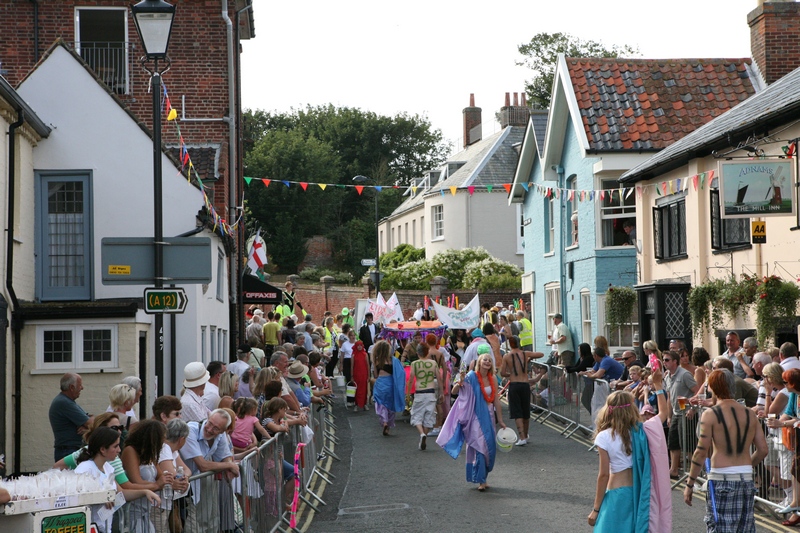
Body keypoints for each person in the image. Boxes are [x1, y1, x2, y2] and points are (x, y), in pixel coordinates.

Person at [588, 369, 672, 532]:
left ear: (608, 410)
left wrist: (596, 509)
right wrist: (658, 385)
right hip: (638, 493)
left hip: (616, 494)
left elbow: (603, 475)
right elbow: (663, 413)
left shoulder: (604, 436)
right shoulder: (644, 430)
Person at [684, 369, 768, 532]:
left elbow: (701, 452)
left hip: (721, 479)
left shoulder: (710, 414)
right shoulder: (749, 413)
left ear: (713, 387)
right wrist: (745, 466)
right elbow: (763, 449)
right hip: (745, 480)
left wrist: (690, 484)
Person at [437, 351, 507, 491]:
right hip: (475, 416)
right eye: (484, 360)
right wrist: (460, 381)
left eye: (489, 360)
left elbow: (496, 401)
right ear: (479, 362)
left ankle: (484, 477)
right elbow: (455, 391)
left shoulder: (492, 378)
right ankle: (481, 480)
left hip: (489, 416)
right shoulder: (471, 376)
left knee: (489, 447)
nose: (487, 362)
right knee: (480, 445)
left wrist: (501, 420)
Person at [75, 426, 160, 533]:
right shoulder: (85, 468)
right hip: (90, 526)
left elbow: (121, 493)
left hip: (104, 527)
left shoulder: (108, 468)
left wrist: (145, 492)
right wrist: (100, 497)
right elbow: (76, 498)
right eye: (115, 446)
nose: (119, 450)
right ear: (102, 449)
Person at [180, 409, 240, 533]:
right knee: (193, 525)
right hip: (186, 485)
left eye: (216, 428)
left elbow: (225, 456)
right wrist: (229, 466)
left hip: (202, 482)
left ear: (223, 431)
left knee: (211, 519)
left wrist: (229, 465)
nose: (209, 429)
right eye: (209, 423)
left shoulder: (221, 435)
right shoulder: (191, 430)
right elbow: (203, 465)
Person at [121, 420, 172, 533]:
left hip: (146, 508)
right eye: (161, 439)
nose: (163, 443)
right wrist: (157, 485)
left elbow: (159, 475)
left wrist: (169, 478)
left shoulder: (150, 454)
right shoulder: (130, 451)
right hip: (133, 508)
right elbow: (136, 481)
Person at [499, 336, 544, 446]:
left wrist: (512, 374)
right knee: (525, 411)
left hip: (514, 384)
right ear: (519, 343)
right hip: (525, 384)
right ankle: (526, 435)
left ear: (510, 344)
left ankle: (522, 437)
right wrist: (529, 358)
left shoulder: (507, 356)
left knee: (517, 412)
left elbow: (502, 373)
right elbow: (541, 354)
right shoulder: (525, 354)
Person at [663, 350, 699, 479]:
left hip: (687, 414)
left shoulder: (685, 375)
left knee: (689, 446)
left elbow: (697, 392)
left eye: (667, 360)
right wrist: (668, 416)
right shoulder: (667, 376)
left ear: (675, 361)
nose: (664, 362)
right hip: (676, 413)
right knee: (673, 443)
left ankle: (696, 474)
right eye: (664, 360)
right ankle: (673, 470)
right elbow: (669, 397)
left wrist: (693, 408)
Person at [155, 419, 191, 533]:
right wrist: (182, 478)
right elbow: (173, 477)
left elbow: (187, 470)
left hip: (167, 503)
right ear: (182, 439)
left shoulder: (173, 450)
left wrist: (184, 477)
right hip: (159, 505)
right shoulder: (165, 449)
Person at [50, 372, 93, 462]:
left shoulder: (66, 401)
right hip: (68, 451)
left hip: (68, 450)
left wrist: (87, 427)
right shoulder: (64, 403)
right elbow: (91, 423)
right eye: (80, 385)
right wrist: (88, 425)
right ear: (72, 387)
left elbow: (90, 419)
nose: (82, 388)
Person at [409, 342, 440, 450]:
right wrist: (441, 392)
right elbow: (439, 379)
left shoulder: (414, 364)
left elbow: (411, 379)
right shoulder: (433, 363)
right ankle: (424, 435)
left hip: (419, 393)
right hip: (431, 392)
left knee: (416, 416)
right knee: (429, 418)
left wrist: (408, 393)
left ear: (417, 353)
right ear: (427, 352)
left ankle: (421, 433)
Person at [371, 340, 406, 436]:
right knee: (390, 405)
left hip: (380, 384)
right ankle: (388, 424)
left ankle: (384, 422)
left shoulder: (377, 360)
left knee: (380, 404)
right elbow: (400, 373)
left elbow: (376, 375)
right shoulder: (393, 360)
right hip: (390, 384)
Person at [352, 340, 370, 411]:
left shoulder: (365, 354)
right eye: (358, 345)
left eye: (360, 345)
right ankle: (356, 404)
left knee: (364, 390)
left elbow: (368, 366)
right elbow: (352, 366)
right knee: (356, 390)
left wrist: (368, 376)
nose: (359, 347)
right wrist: (352, 376)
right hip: (356, 374)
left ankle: (364, 404)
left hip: (364, 374)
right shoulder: (353, 355)